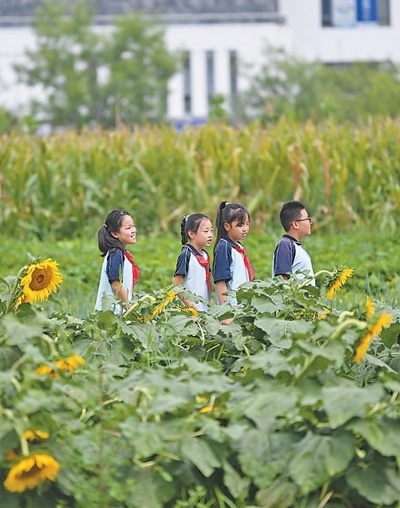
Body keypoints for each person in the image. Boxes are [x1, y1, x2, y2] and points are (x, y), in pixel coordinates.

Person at [95, 209, 140, 312]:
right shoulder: (116, 254)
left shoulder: (121, 253)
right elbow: (116, 285)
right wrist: (129, 308)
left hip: (119, 314)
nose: (133, 230)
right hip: (112, 315)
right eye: (128, 228)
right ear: (115, 233)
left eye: (133, 226)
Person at [213, 201, 255, 306]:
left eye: (247, 224)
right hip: (232, 308)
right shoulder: (224, 247)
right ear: (227, 226)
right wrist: (226, 310)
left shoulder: (238, 247)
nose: (245, 229)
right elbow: (220, 282)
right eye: (240, 225)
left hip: (241, 307)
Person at [172, 214, 213, 312]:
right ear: (191, 234)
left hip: (203, 309)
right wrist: (191, 306)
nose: (210, 235)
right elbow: (176, 284)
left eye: (211, 231)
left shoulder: (205, 255)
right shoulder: (186, 255)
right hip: (189, 311)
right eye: (206, 231)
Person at [272, 200, 315, 285]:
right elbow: (282, 280)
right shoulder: (285, 244)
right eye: (307, 219)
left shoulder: (296, 246)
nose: (310, 223)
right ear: (295, 224)